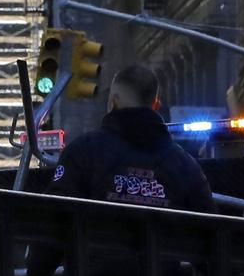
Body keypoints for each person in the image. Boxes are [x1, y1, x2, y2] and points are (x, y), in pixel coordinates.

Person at [45, 62, 212, 212]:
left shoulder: (82, 152)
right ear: (155, 105)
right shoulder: (187, 167)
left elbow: (55, 214)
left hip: (93, 245)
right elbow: (210, 227)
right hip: (169, 246)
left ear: (113, 102)